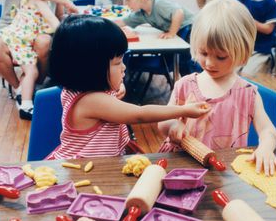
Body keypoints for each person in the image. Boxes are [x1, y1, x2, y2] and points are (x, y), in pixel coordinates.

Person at [45, 15, 211, 160]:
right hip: (85, 170)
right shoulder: (92, 101)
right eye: (117, 63)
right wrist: (184, 110)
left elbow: (107, 97)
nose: (124, 67)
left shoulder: (79, 87)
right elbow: (140, 114)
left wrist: (119, 85)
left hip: (104, 162)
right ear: (91, 69)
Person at [158, 0, 276, 176]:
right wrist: (173, 126)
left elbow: (268, 130)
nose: (209, 62)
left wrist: (266, 149)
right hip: (182, 168)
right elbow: (162, 124)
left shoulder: (247, 94)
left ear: (243, 55)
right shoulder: (184, 86)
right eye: (203, 53)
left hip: (225, 171)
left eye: (220, 57)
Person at [0, 0, 78, 118]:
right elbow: (55, 24)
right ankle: (21, 91)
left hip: (31, 33)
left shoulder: (39, 0)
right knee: (30, 71)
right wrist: (67, 4)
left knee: (37, 58)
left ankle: (30, 90)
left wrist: (69, 18)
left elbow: (57, 17)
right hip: (18, 34)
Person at [0, 0, 60, 120]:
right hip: (20, 42)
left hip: (17, 39)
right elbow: (56, 24)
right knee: (32, 72)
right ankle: (26, 106)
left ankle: (23, 93)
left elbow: (35, 21)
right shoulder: (39, 1)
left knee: (31, 72)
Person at [236, 0, 276, 75]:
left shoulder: (270, 3)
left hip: (260, 49)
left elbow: (268, 29)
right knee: (230, 72)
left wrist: (250, 21)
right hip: (241, 46)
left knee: (246, 74)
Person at [116, 0, 194, 39]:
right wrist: (104, 22)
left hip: (191, 28)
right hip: (181, 31)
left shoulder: (159, 3)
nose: (125, 3)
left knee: (190, 61)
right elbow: (122, 21)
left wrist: (171, 33)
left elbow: (178, 13)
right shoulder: (141, 13)